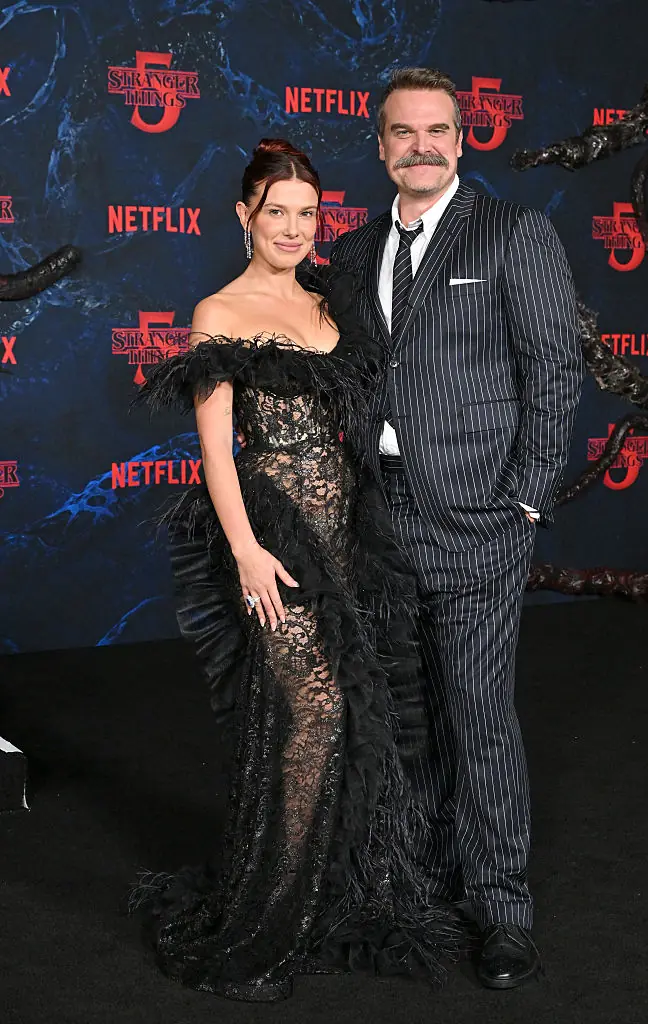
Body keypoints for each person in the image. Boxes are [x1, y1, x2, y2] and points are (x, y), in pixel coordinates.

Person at [131, 138, 457, 1002]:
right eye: (274, 211)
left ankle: (327, 899)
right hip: (274, 542)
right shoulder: (219, 312)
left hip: (348, 536)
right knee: (306, 712)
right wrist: (244, 553)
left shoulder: (328, 302)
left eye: (306, 213)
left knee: (349, 713)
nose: (291, 226)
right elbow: (215, 455)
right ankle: (266, 913)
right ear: (244, 217)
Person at [330, 67, 584, 989]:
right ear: (380, 143)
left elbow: (555, 369)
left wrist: (521, 499)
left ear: (462, 139)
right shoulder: (355, 253)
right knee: (411, 715)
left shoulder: (512, 232)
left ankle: (501, 906)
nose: (422, 146)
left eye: (438, 130)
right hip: (382, 512)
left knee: (478, 716)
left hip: (480, 519)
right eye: (404, 132)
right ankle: (424, 881)